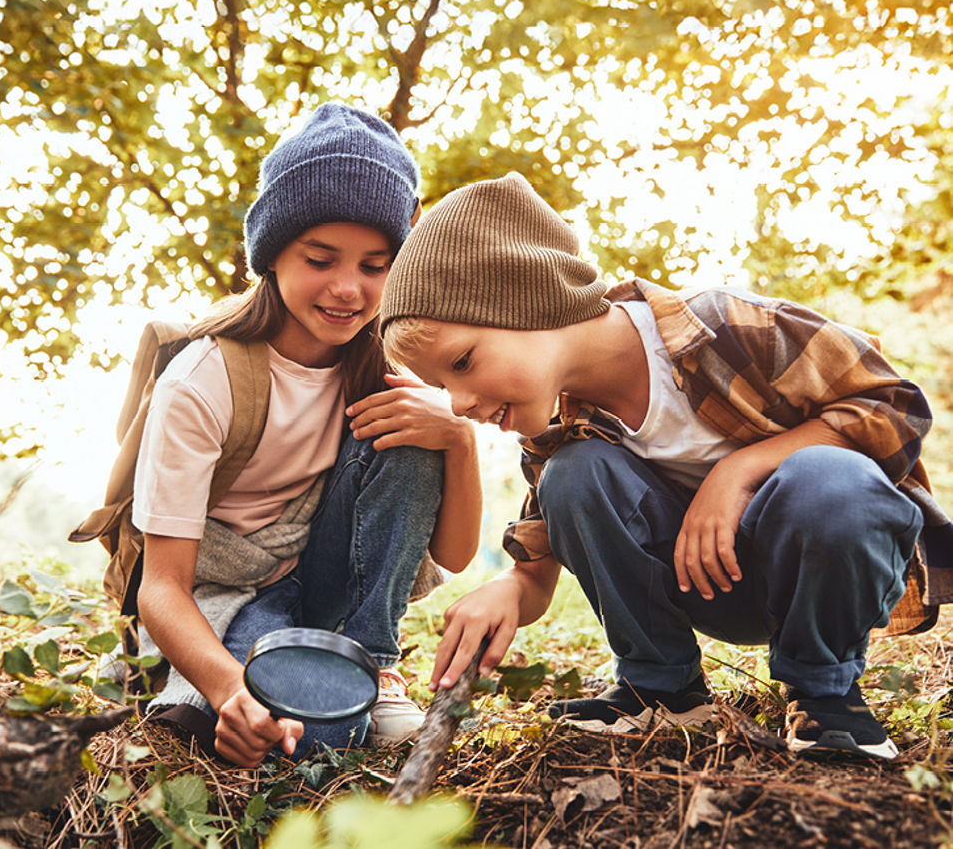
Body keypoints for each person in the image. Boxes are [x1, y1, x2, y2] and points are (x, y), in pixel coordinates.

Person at [376, 171, 952, 759]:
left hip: (821, 567)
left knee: (833, 478)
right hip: (706, 586)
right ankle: (664, 692)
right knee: (576, 474)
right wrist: (506, 590)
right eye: (443, 387)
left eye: (463, 363)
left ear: (532, 300)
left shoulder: (728, 328)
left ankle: (827, 697)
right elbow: (537, 572)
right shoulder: (561, 434)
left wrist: (738, 471)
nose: (459, 403)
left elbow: (895, 408)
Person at [132, 103, 482, 768]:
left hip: (326, 576)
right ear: (273, 254)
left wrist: (457, 436)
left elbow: (456, 554)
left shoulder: (386, 370)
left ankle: (372, 664)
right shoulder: (203, 382)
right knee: (299, 737)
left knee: (411, 427)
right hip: (230, 592)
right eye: (321, 259)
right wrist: (231, 690)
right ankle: (218, 679)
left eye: (376, 267)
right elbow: (162, 586)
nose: (348, 289)